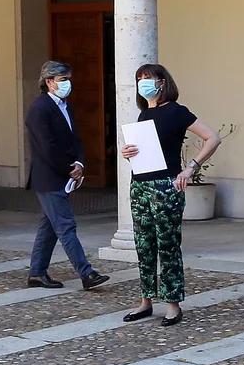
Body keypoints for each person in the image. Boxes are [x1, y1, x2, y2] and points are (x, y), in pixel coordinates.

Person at [118, 63, 220, 326]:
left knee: (168, 244)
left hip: (166, 185)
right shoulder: (143, 115)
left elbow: (212, 138)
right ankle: (145, 301)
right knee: (144, 244)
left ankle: (173, 305)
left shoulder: (176, 112)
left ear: (162, 82)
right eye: (139, 79)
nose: (143, 83)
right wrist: (128, 153)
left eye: (148, 78)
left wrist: (190, 168)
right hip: (140, 183)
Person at [25, 60, 109, 292]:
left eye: (69, 79)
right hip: (48, 176)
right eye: (63, 80)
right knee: (65, 225)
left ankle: (37, 273)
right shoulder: (39, 108)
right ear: (49, 82)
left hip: (62, 174)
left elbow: (75, 138)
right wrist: (67, 168)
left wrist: (80, 162)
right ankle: (86, 272)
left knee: (49, 227)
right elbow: (46, 146)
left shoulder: (65, 106)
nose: (68, 84)